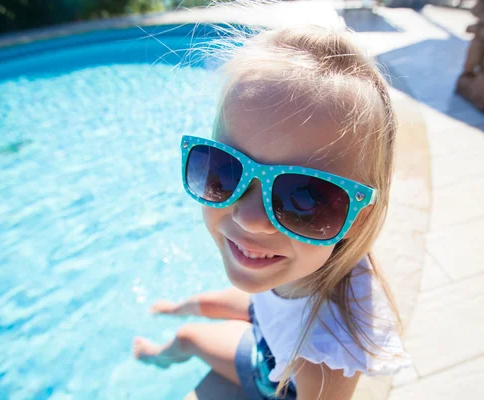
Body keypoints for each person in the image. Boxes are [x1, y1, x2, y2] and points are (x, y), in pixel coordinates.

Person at [133, 21, 412, 400]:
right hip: (270, 331)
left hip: (272, 377)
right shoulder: (301, 255)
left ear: (356, 218)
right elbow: (266, 304)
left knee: (189, 338)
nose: (249, 218)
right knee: (201, 318)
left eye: (307, 199)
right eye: (224, 170)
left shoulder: (322, 357)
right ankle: (176, 310)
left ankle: (157, 356)